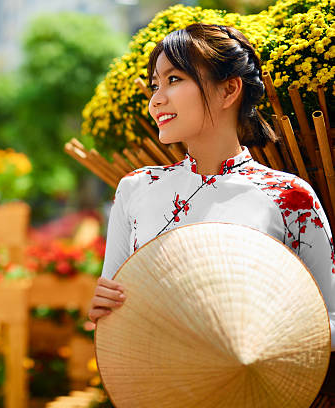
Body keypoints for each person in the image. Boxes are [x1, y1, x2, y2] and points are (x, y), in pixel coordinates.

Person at [88, 23, 335, 402]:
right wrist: (104, 309)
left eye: (174, 79)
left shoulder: (289, 197)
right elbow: (115, 316)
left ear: (229, 89)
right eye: (156, 85)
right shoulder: (136, 190)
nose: (156, 99)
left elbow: (329, 323)